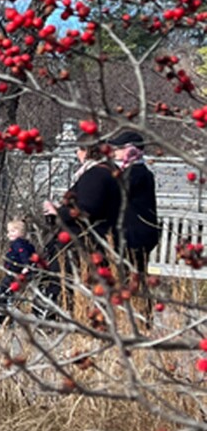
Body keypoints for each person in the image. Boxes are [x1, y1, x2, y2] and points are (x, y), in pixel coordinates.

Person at [42, 139, 121, 311]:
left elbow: (87, 208)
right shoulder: (111, 171)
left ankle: (56, 311)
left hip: (82, 239)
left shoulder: (95, 174)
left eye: (78, 150)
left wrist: (58, 212)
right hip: (98, 237)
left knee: (61, 274)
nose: (77, 154)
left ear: (87, 151)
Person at [108, 130, 159, 290]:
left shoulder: (136, 174)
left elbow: (116, 193)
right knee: (134, 274)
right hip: (137, 234)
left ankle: (141, 308)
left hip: (135, 236)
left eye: (119, 148)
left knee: (133, 275)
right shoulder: (137, 173)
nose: (114, 152)